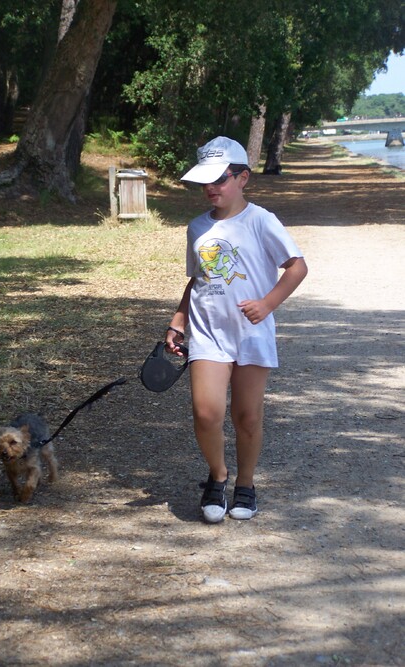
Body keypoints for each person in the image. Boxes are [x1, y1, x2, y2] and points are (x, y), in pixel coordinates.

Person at [165, 136, 308, 524]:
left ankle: (245, 484)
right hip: (208, 331)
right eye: (204, 181)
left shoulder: (261, 220)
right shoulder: (197, 227)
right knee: (206, 412)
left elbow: (297, 267)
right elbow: (198, 279)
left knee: (247, 416)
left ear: (243, 178)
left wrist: (267, 304)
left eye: (220, 179)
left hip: (250, 333)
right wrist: (178, 320)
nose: (211, 188)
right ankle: (218, 476)